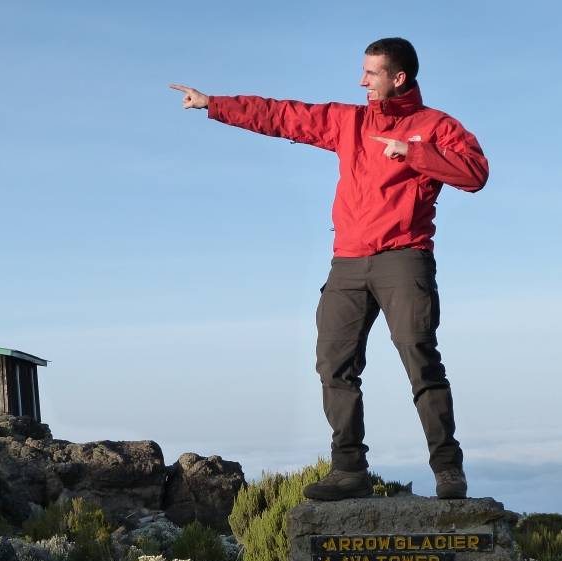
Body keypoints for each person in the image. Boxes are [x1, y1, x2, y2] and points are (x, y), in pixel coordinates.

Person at [170, 37, 488, 501]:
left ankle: (447, 470)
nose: (362, 81)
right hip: (348, 263)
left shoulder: (435, 126)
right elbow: (283, 115)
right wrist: (213, 104)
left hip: (404, 258)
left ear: (398, 77)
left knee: (420, 360)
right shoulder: (349, 121)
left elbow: (475, 174)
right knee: (333, 366)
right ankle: (348, 470)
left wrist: (414, 153)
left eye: (371, 73)